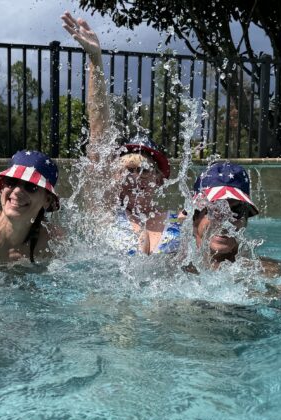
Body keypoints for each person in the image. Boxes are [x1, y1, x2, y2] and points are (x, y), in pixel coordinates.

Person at [61, 12, 183, 257]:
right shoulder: (105, 213)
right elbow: (98, 134)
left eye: (144, 170)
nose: (136, 176)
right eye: (128, 169)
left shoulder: (180, 219)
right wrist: (95, 60)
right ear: (113, 176)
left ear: (159, 179)